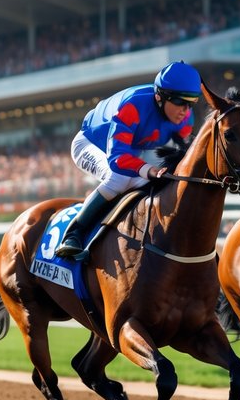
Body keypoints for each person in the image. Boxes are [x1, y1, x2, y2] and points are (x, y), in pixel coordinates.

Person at [54, 61, 201, 259]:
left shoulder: (185, 120)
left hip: (134, 148)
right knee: (120, 179)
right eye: (179, 102)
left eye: (191, 102)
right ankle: (74, 234)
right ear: (160, 96)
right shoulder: (133, 106)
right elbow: (118, 158)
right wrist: (147, 169)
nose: (185, 110)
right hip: (92, 144)